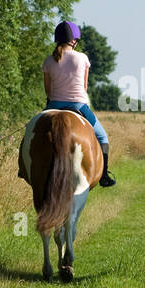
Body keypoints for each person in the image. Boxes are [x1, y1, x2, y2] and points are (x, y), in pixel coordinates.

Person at [43, 21, 116, 187]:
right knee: (102, 136)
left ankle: (23, 166)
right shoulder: (82, 58)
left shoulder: (49, 61)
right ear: (74, 40)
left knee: (31, 131)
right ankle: (104, 175)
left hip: (53, 105)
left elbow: (47, 90)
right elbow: (84, 86)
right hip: (78, 106)